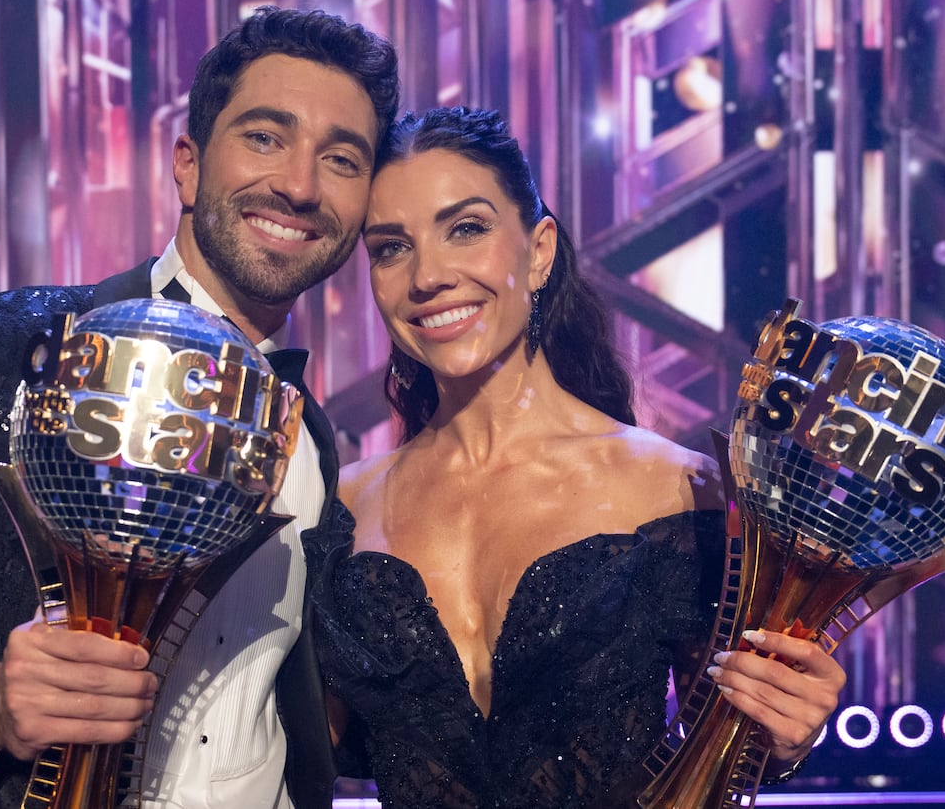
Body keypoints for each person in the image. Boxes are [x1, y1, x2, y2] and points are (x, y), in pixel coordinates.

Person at [0, 6, 399, 809]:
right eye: (264, 137)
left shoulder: (314, 439)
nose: (300, 184)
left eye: (341, 159)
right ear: (187, 163)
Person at [301, 107, 845, 807]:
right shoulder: (341, 506)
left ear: (538, 250)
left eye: (465, 229)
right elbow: (307, 745)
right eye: (390, 247)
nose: (428, 275)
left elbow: (731, 755)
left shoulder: (681, 489)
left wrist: (788, 732)